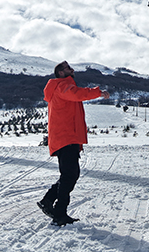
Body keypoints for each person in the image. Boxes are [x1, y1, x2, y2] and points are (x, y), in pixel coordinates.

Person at [38, 60, 109, 226]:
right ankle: (59, 213)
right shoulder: (62, 86)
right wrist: (98, 92)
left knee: (69, 175)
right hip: (66, 137)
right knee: (70, 175)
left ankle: (48, 201)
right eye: (67, 68)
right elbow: (78, 94)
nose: (71, 69)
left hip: (66, 138)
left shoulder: (62, 86)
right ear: (61, 73)